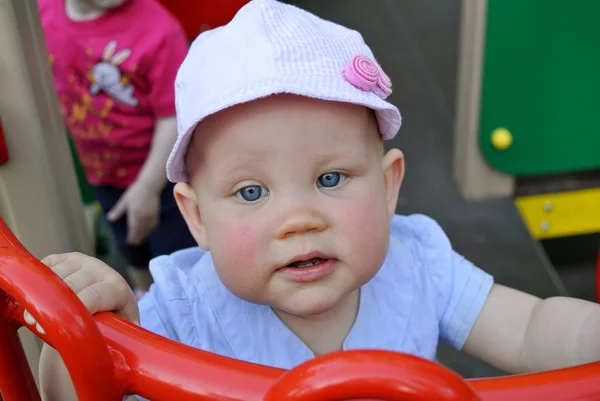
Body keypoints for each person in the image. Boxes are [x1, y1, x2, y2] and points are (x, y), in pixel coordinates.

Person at [34, 0, 600, 400]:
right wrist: (84, 336)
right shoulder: (182, 310)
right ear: (196, 218)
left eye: (331, 179)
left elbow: (530, 330)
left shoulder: (418, 262)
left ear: (388, 186)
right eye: (251, 192)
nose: (299, 220)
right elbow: (88, 391)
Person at [37, 0, 197, 296]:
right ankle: (143, 303)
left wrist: (148, 186)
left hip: (164, 176)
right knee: (129, 245)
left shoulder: (159, 31)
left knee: (177, 264)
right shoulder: (39, 16)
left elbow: (174, 115)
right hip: (102, 172)